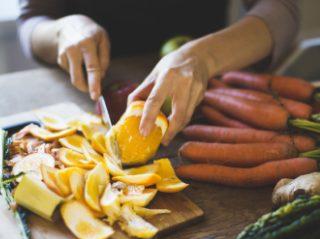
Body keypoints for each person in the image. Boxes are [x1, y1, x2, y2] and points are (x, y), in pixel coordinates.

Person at [18, 0, 299, 145]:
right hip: (85, 97)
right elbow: (33, 20)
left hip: (204, 99)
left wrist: (201, 57)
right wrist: (61, 30)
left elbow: (283, 10)